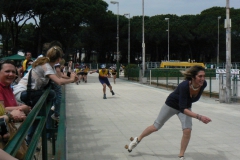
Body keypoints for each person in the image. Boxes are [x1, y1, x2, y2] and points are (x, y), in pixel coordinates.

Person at [126, 65, 212, 160]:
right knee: (156, 126)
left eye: (204, 76)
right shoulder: (184, 86)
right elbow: (183, 109)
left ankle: (181, 156)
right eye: (200, 76)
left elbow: (185, 106)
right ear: (193, 77)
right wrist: (200, 117)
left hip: (185, 106)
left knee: (187, 130)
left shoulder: (203, 84)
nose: (202, 79)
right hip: (172, 104)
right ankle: (137, 139)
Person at [13, 46, 77, 143]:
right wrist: (72, 79)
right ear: (59, 59)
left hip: (27, 93)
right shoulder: (46, 66)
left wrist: (70, 78)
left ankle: (28, 140)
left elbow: (58, 77)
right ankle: (53, 112)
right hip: (23, 93)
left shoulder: (47, 64)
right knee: (51, 94)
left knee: (37, 117)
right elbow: (58, 81)